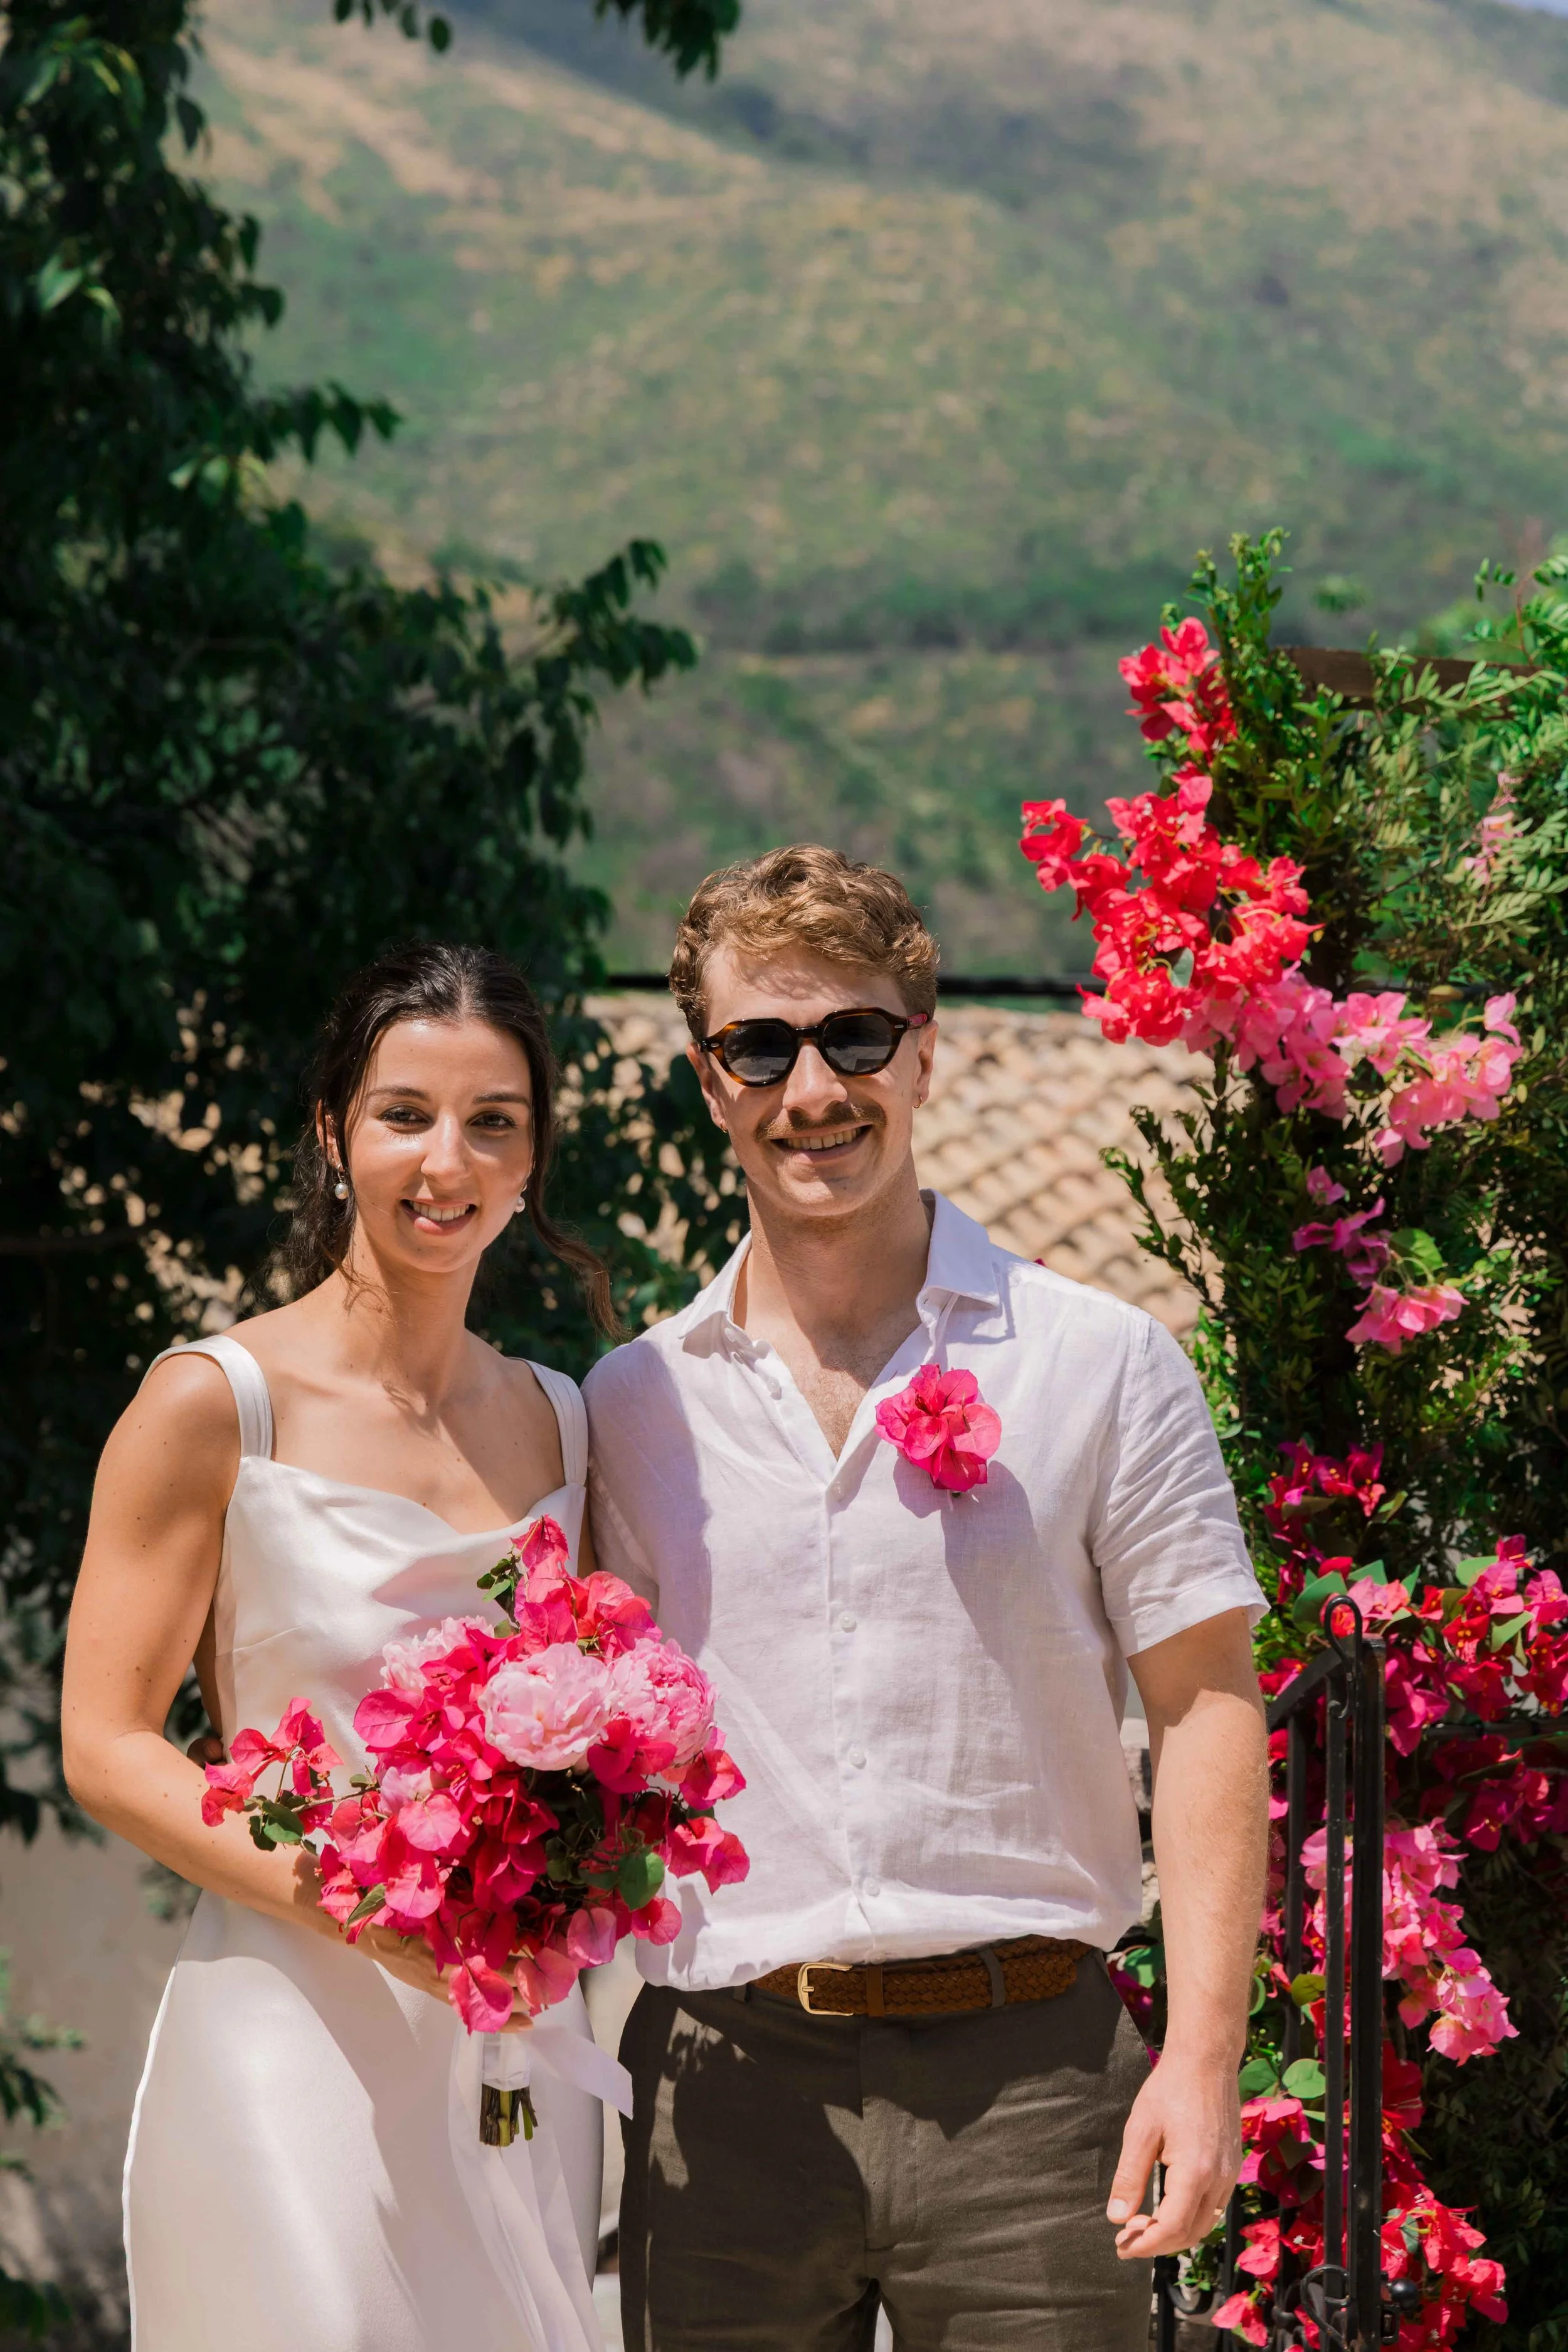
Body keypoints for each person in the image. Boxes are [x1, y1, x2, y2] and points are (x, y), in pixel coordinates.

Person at [584, 845, 1271, 2352]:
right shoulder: (627, 1408)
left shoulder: (1098, 1363)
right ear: (709, 1080)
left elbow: (1208, 1705)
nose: (810, 1088)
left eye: (854, 1037)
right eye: (760, 1046)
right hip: (723, 2087)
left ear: (925, 1051)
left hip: (1034, 2090)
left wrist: (1205, 2059)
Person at [62, 943, 617, 2352]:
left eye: (493, 1119)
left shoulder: (563, 1418)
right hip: (287, 2031)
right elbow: (108, 1747)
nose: (449, 1159)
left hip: (513, 2055)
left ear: (535, 1150)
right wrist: (389, 1919)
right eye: (404, 1113)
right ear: (332, 1130)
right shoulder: (214, 1402)